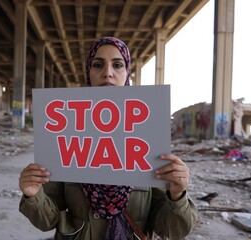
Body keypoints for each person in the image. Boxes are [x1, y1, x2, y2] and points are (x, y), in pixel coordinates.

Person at [19, 37, 198, 240]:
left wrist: (177, 196)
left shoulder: (148, 136)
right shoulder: (66, 133)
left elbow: (170, 230)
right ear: (89, 71)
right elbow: (47, 221)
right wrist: (32, 194)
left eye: (118, 65)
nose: (108, 73)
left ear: (127, 72)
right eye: (98, 64)